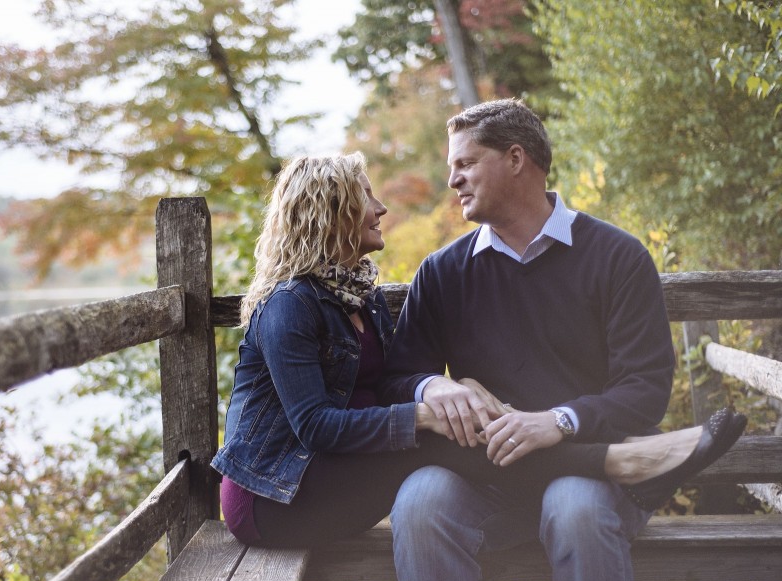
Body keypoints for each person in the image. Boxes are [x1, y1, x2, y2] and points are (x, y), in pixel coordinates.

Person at [212, 150, 745, 555]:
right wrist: (427, 414)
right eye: (365, 197)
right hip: (276, 498)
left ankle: (622, 463)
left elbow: (382, 385)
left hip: (336, 473)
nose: (381, 208)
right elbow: (316, 426)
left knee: (450, 427)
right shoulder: (290, 305)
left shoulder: (360, 297)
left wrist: (459, 390)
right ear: (329, 212)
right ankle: (623, 462)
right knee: (432, 442)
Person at [382, 98, 747, 581]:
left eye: (466, 163)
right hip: (488, 478)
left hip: (592, 484)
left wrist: (559, 420)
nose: (451, 179)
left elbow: (646, 390)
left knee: (572, 505)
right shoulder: (443, 273)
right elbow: (399, 374)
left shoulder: (617, 257)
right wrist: (431, 386)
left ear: (517, 159)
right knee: (421, 500)